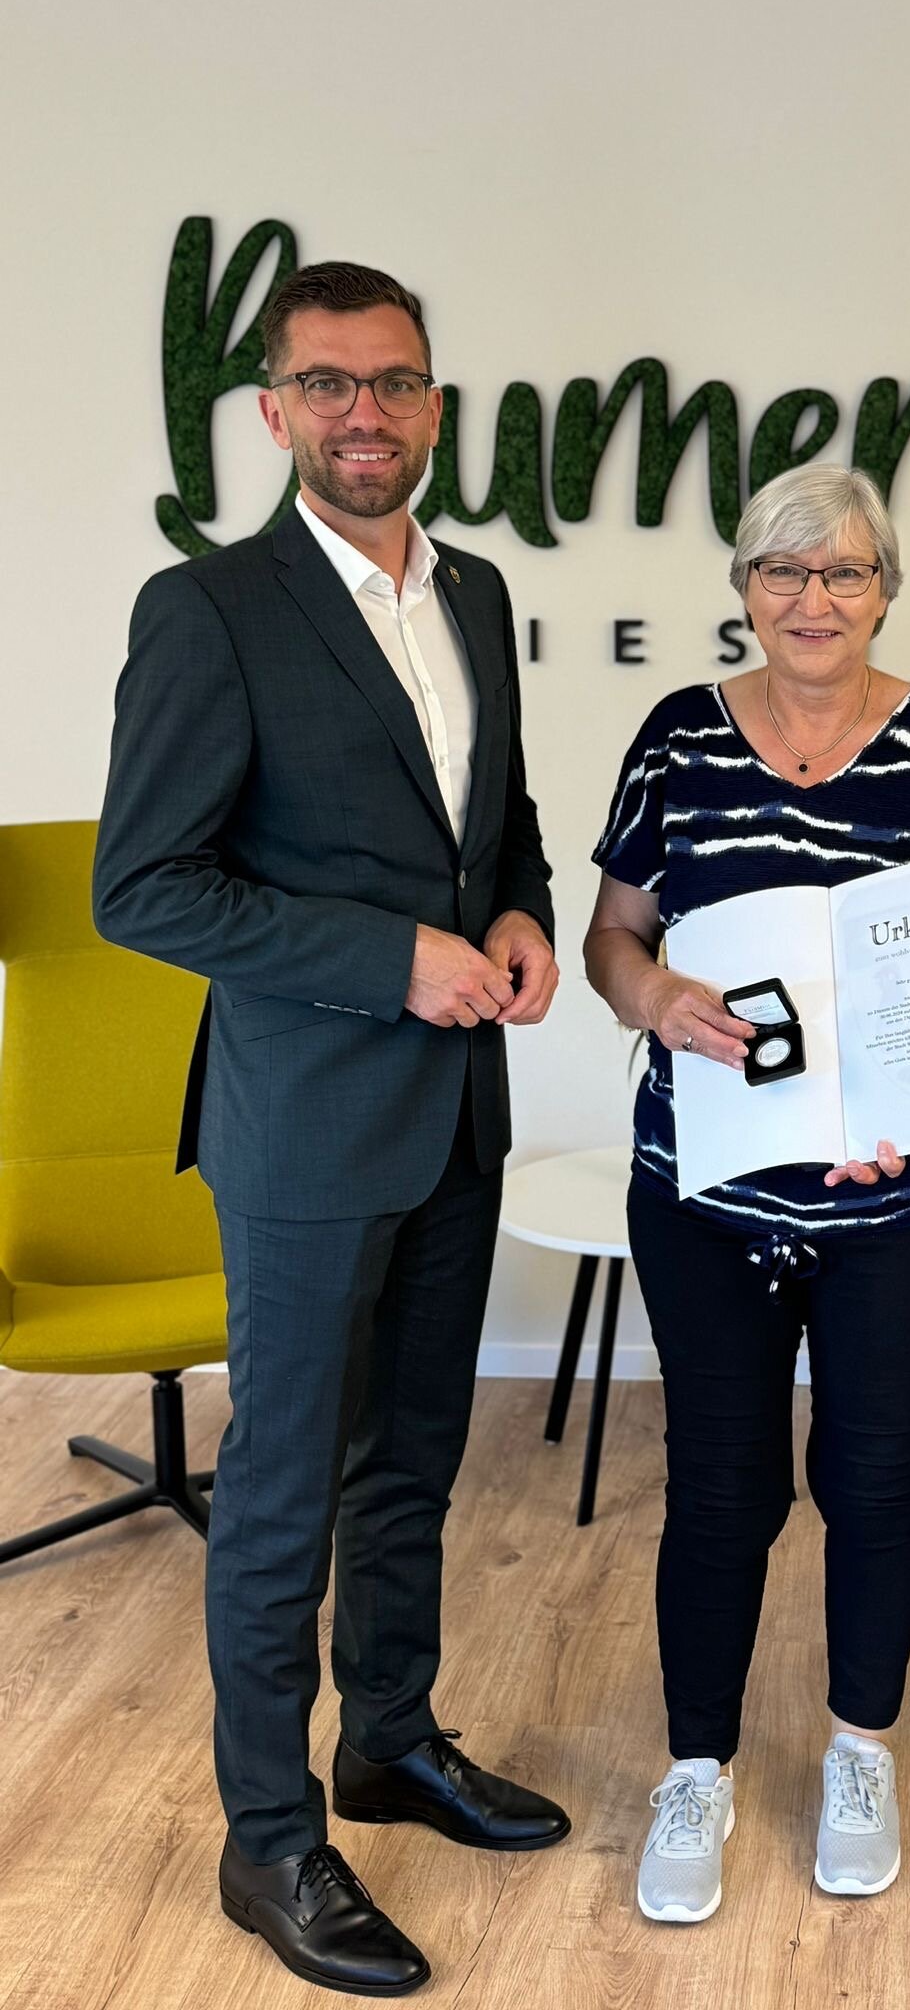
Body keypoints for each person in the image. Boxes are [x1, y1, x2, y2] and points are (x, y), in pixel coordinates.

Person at [94, 261, 570, 1998]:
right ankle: (270, 1838)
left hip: (456, 1115)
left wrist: (517, 913)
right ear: (276, 408)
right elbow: (145, 886)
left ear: (435, 404)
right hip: (302, 1130)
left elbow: (493, 817)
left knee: (413, 1460)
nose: (365, 414)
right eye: (328, 384)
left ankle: (390, 1740)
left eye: (395, 383)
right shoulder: (209, 609)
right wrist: (392, 961)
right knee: (284, 1492)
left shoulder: (480, 590)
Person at [584, 464, 910, 1924]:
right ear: (746, 591)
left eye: (843, 572)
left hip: (899, 1202)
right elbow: (614, 937)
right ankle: (694, 1770)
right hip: (704, 1192)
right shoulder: (678, 735)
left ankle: (859, 1752)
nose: (812, 599)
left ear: (885, 589)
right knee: (721, 1486)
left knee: (878, 1475)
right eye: (782, 570)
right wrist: (654, 999)